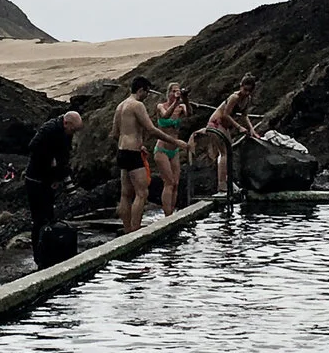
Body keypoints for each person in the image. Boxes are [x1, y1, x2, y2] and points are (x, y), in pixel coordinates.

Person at [113, 77, 182, 234]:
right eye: (147, 92)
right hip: (133, 153)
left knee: (125, 194)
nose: (147, 96)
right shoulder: (137, 105)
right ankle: (135, 231)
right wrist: (176, 142)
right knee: (142, 193)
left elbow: (115, 133)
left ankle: (127, 229)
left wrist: (135, 143)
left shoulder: (120, 106)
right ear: (141, 90)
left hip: (122, 151)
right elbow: (151, 129)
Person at [188, 75, 267, 197]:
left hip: (224, 127)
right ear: (241, 86)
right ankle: (221, 185)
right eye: (244, 89)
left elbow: (244, 115)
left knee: (228, 152)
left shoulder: (247, 99)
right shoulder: (234, 97)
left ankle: (227, 181)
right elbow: (225, 114)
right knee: (224, 152)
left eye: (248, 90)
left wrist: (252, 130)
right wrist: (238, 127)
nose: (245, 93)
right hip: (216, 124)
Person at [23, 108, 83, 239]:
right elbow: (33, 147)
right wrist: (50, 159)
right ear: (66, 123)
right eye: (73, 130)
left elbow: (64, 154)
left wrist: (58, 175)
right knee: (39, 218)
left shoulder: (65, 132)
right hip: (36, 179)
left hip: (48, 179)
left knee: (49, 215)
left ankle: (48, 247)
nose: (72, 134)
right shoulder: (49, 130)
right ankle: (39, 251)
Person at [151, 84, 192, 217]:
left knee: (175, 183)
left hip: (174, 150)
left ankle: (172, 212)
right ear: (168, 93)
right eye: (173, 91)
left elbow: (190, 114)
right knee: (168, 182)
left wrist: (185, 99)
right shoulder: (160, 106)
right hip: (162, 149)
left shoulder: (181, 107)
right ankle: (167, 215)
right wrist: (175, 103)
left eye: (178, 91)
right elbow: (166, 116)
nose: (176, 93)